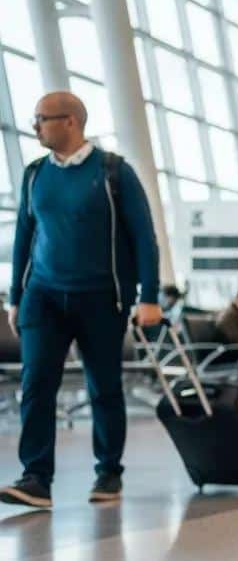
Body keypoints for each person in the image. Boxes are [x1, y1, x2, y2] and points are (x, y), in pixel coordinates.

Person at [2, 92, 162, 509]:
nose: (35, 126)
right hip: (43, 296)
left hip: (101, 298)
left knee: (103, 386)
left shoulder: (113, 172)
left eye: (42, 119)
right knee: (36, 383)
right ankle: (36, 477)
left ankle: (108, 471)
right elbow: (23, 236)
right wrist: (16, 297)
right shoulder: (35, 174)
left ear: (71, 121)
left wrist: (149, 296)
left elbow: (144, 237)